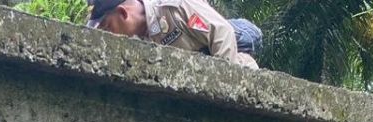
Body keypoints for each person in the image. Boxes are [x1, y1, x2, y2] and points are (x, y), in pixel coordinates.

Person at [88, 0, 260, 69]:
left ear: (123, 13)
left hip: (234, 37)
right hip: (197, 50)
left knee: (247, 36)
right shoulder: (136, 38)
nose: (108, 35)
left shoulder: (173, 6)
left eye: (107, 27)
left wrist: (225, 83)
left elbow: (222, 32)